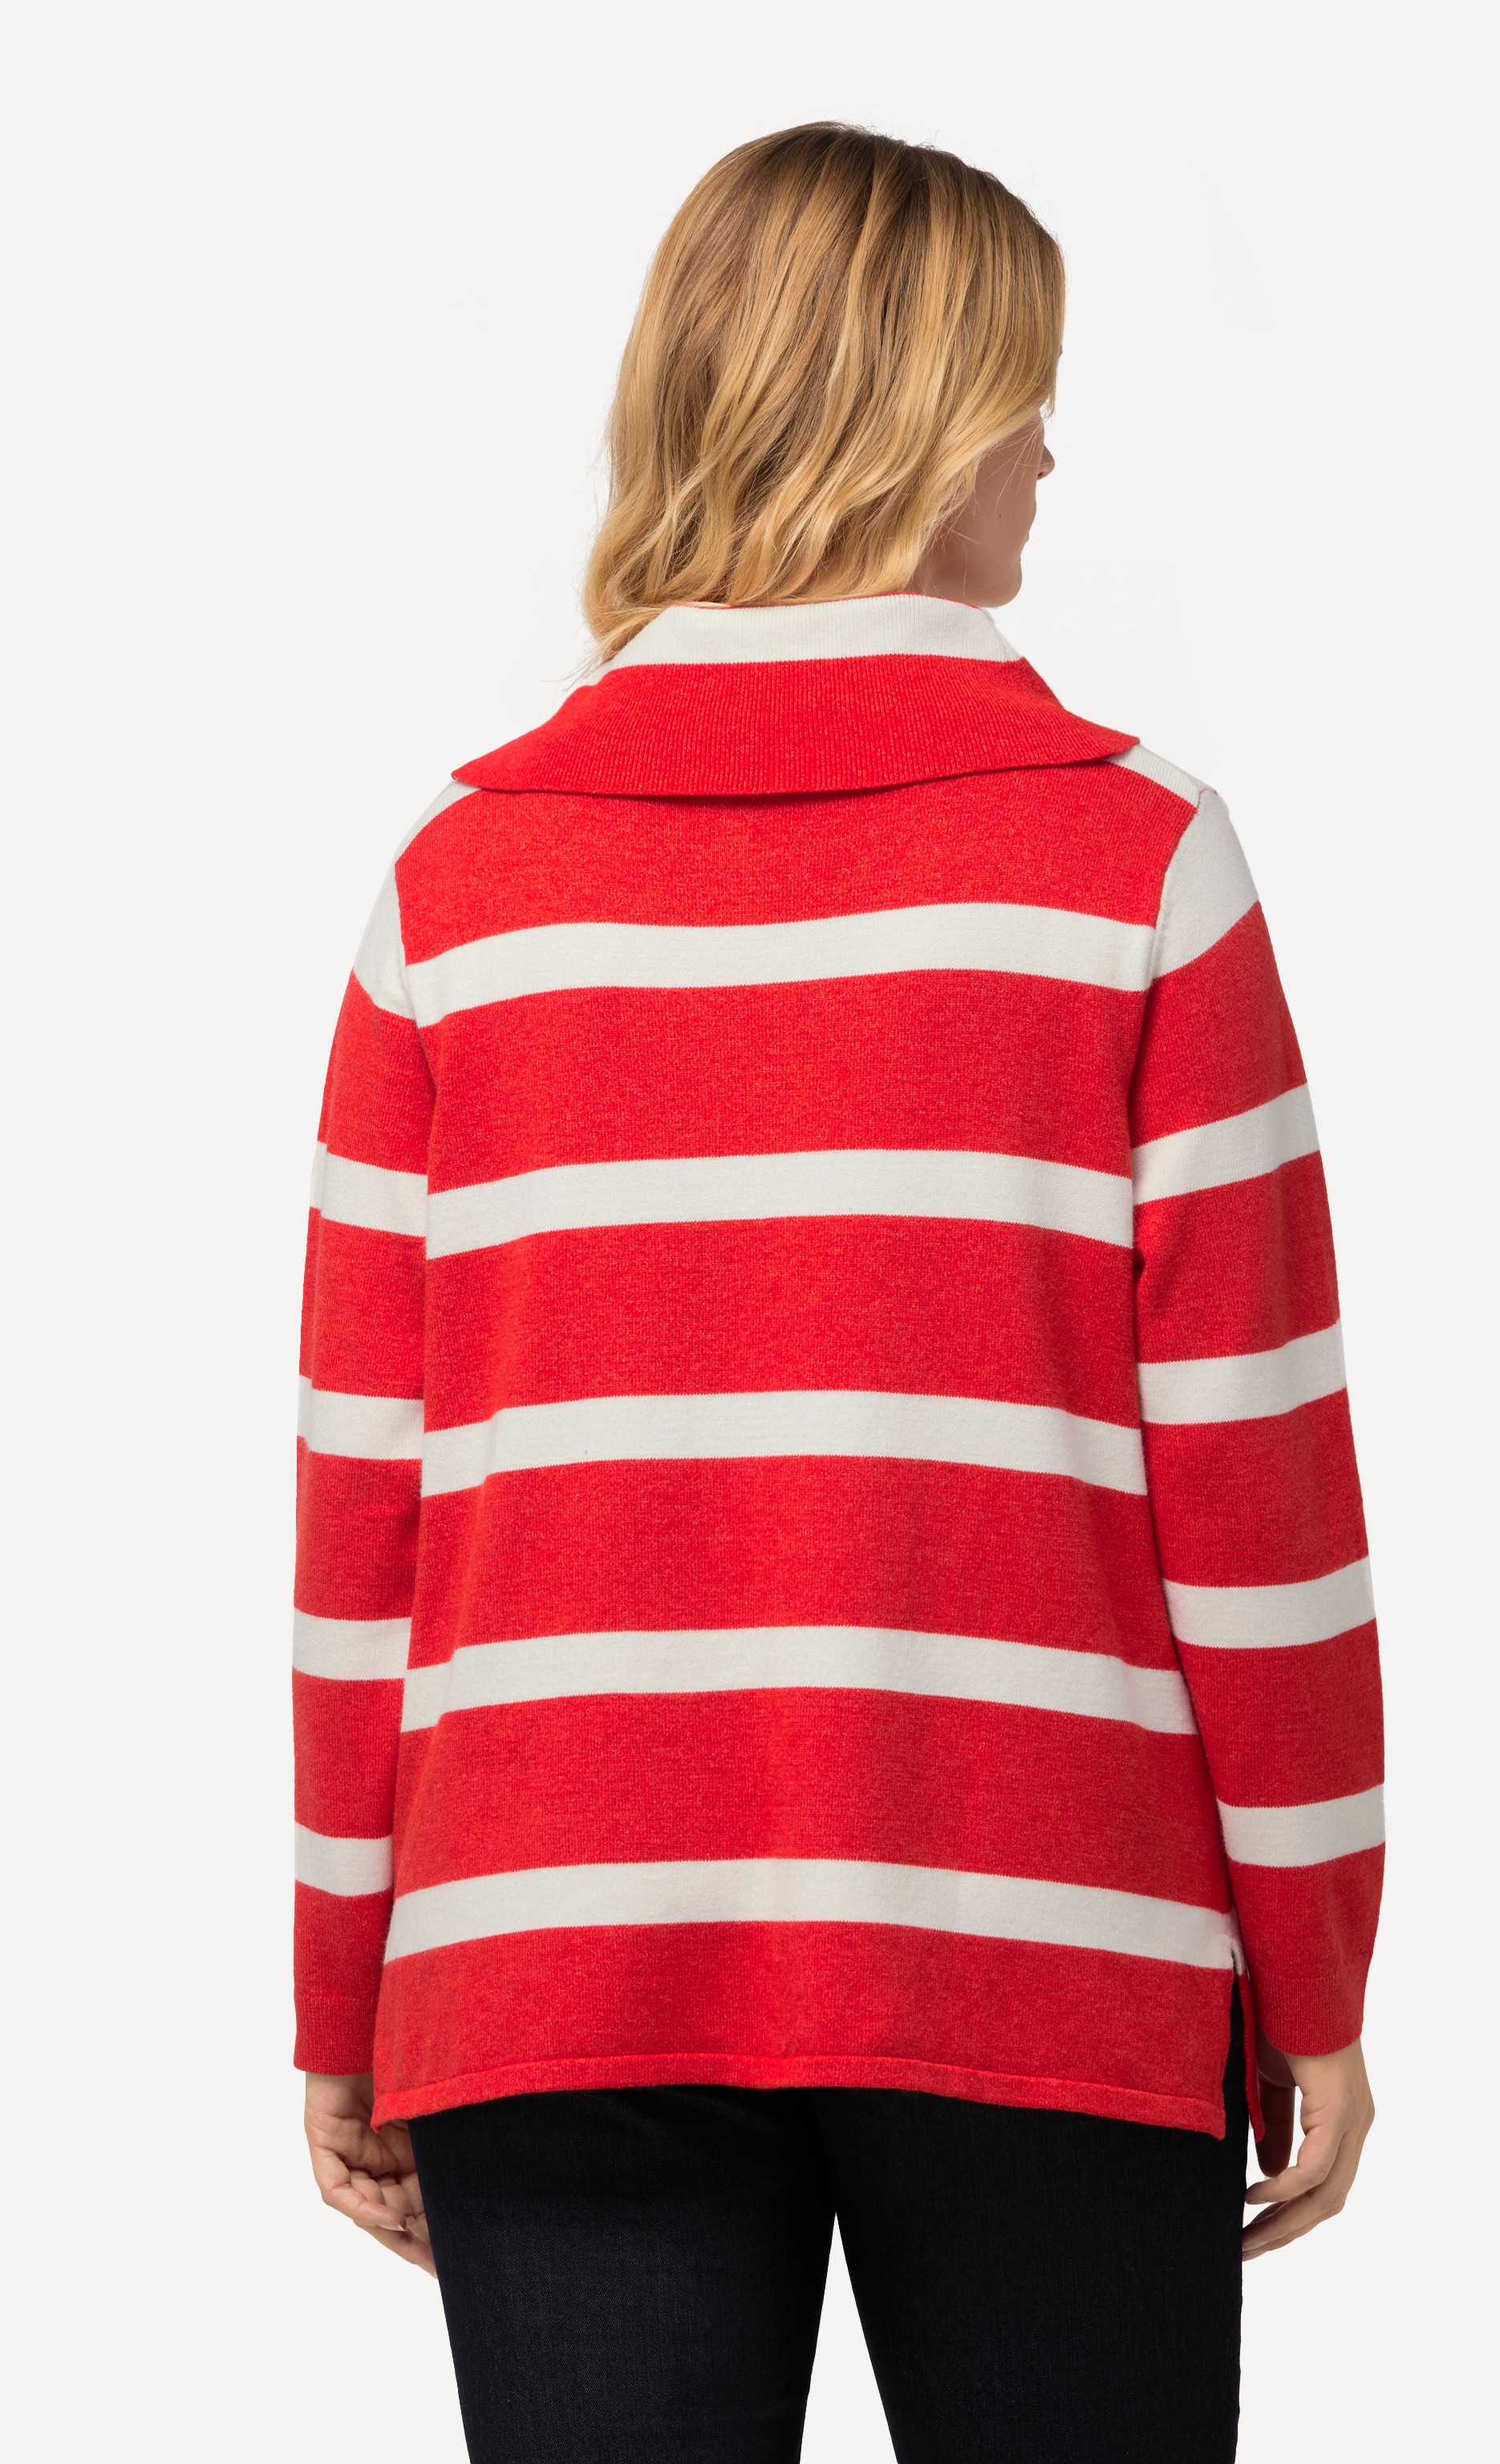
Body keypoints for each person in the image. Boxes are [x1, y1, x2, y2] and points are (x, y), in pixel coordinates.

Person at [294, 123, 1381, 2462]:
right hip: (1045, 1943)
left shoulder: (458, 895)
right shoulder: (1139, 871)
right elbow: (1259, 1492)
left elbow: (367, 1516)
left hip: (544, 1949)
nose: (1050, 453)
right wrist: (1312, 1962)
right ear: (921, 421)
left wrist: (345, 1981)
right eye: (1023, 393)